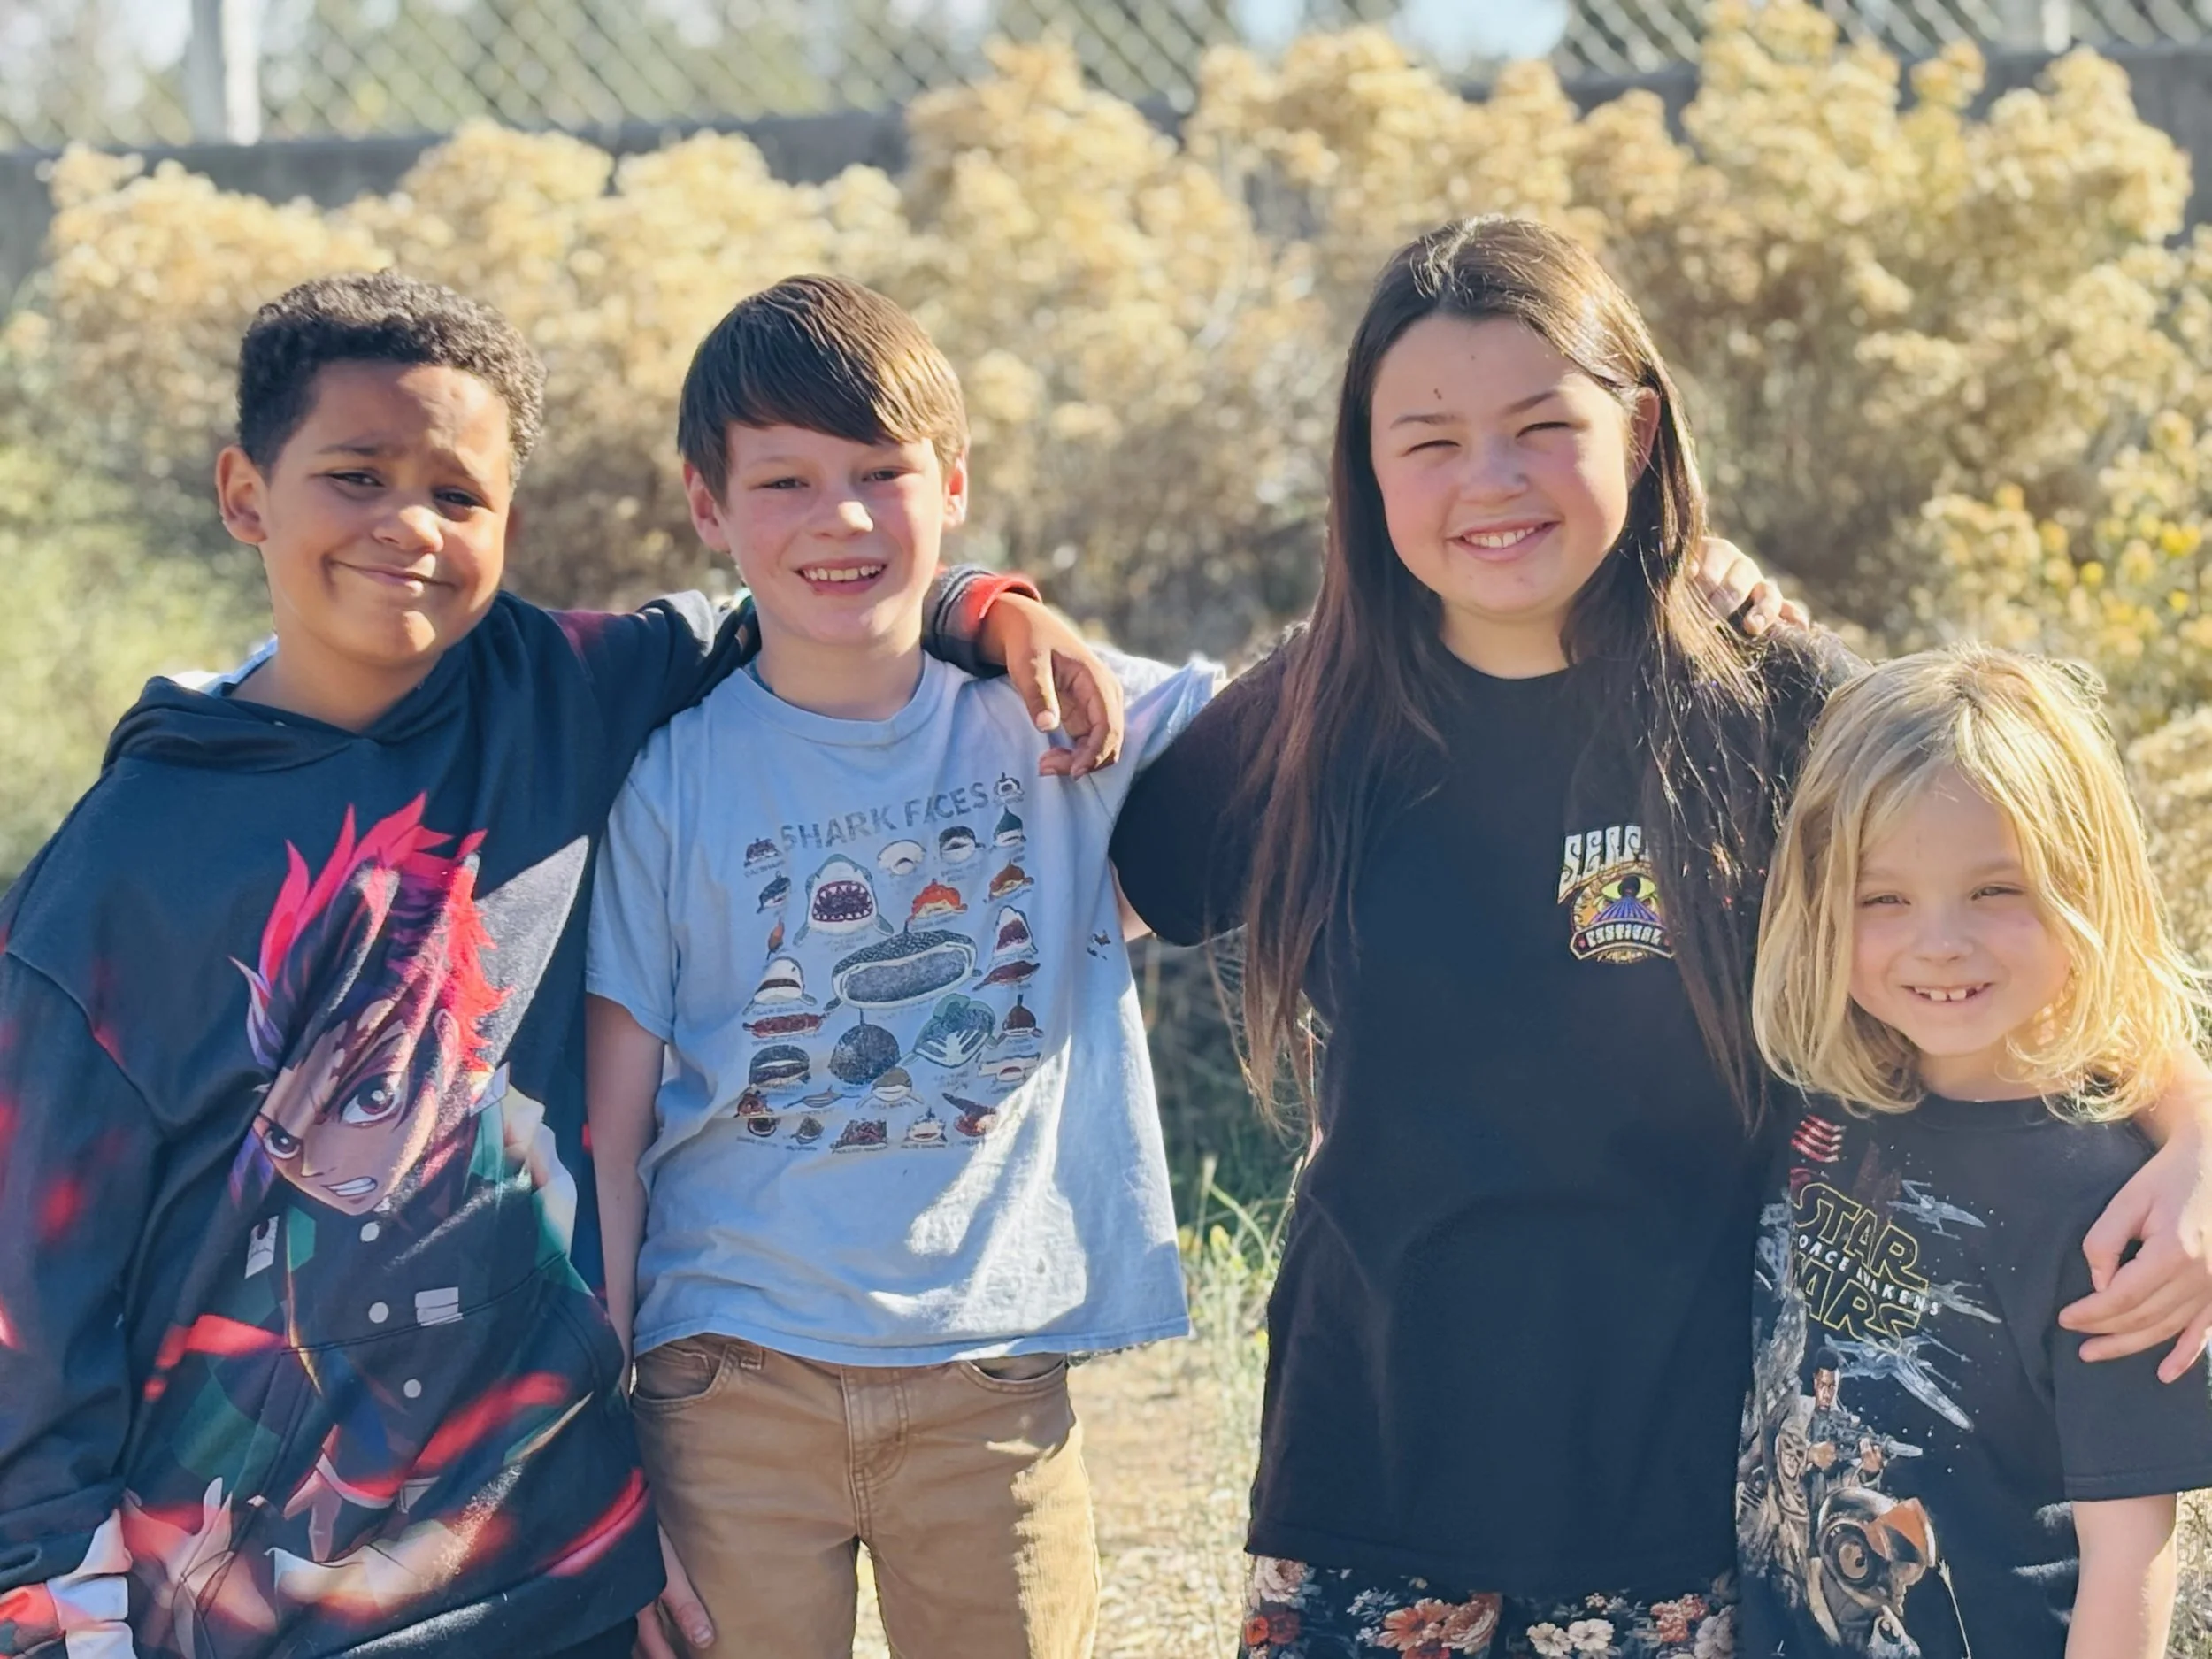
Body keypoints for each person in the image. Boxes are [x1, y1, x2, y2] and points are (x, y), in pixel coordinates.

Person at [1106, 217, 2212, 1658]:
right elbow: (1088, 879)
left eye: (1539, 427)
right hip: (1369, 1478)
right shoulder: (1316, 712)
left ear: (1634, 429)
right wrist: (973, 609)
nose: (1489, 482)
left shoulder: (1769, 700)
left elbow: (2016, 911)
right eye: (1428, 441)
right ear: (1363, 469)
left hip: (1681, 1507)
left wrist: (2193, 1134)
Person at [0, 270, 1119, 1659]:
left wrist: (986, 604)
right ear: (246, 494)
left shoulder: (567, 690)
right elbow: (30, 1287)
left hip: (559, 1569)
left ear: (508, 521)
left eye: (458, 495)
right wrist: (51, 1601)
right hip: (251, 1593)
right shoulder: (129, 864)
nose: (407, 525)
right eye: (354, 475)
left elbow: (810, 589)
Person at [582, 274, 1220, 1659]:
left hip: (988, 1380)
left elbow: (1308, 708)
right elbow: (612, 1128)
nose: (844, 517)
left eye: (883, 472)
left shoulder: (1049, 711)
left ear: (954, 482)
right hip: (728, 1379)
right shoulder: (675, 778)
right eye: (788, 480)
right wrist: (600, 1435)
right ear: (708, 506)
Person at [1739, 645, 2212, 1659]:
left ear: (2087, 885)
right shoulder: (1818, 1093)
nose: (1938, 942)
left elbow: (2131, 1551)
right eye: (1883, 898)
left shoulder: (2115, 1206)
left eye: (1995, 889)